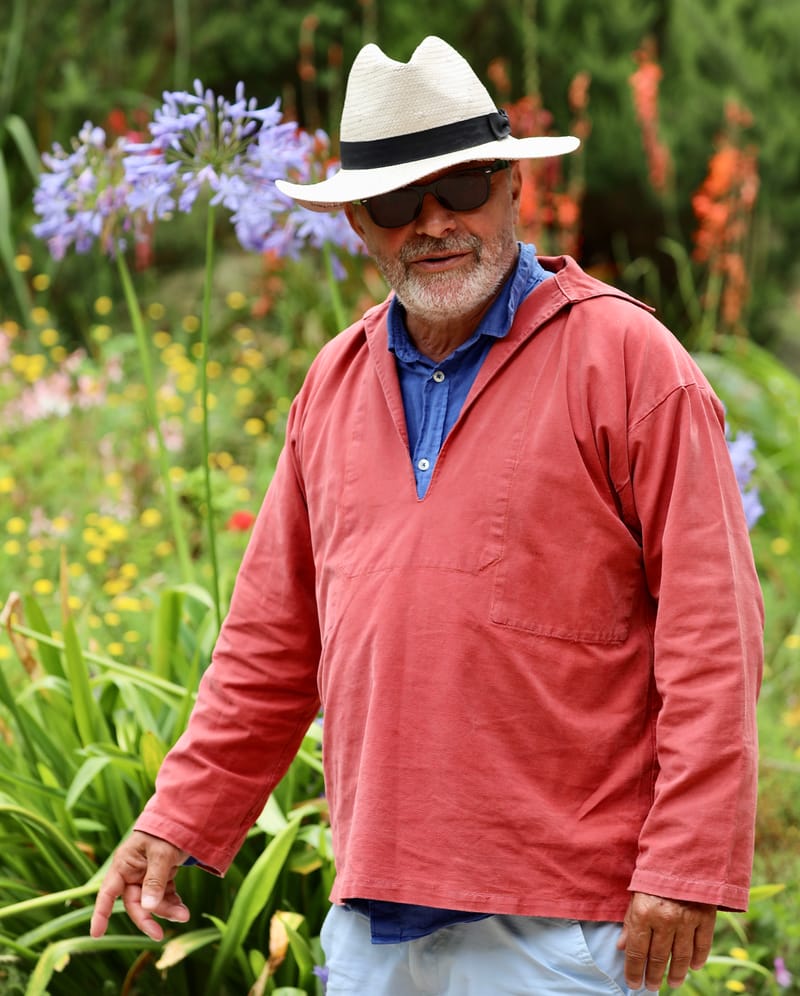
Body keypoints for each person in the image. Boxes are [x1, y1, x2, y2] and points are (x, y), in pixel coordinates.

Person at [90, 36, 763, 995]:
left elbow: (714, 634)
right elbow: (271, 644)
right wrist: (178, 817)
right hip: (373, 924)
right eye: (399, 203)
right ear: (360, 223)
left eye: (464, 187)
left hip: (564, 921)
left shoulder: (630, 363)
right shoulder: (329, 384)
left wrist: (687, 859)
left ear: (513, 186)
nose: (435, 222)